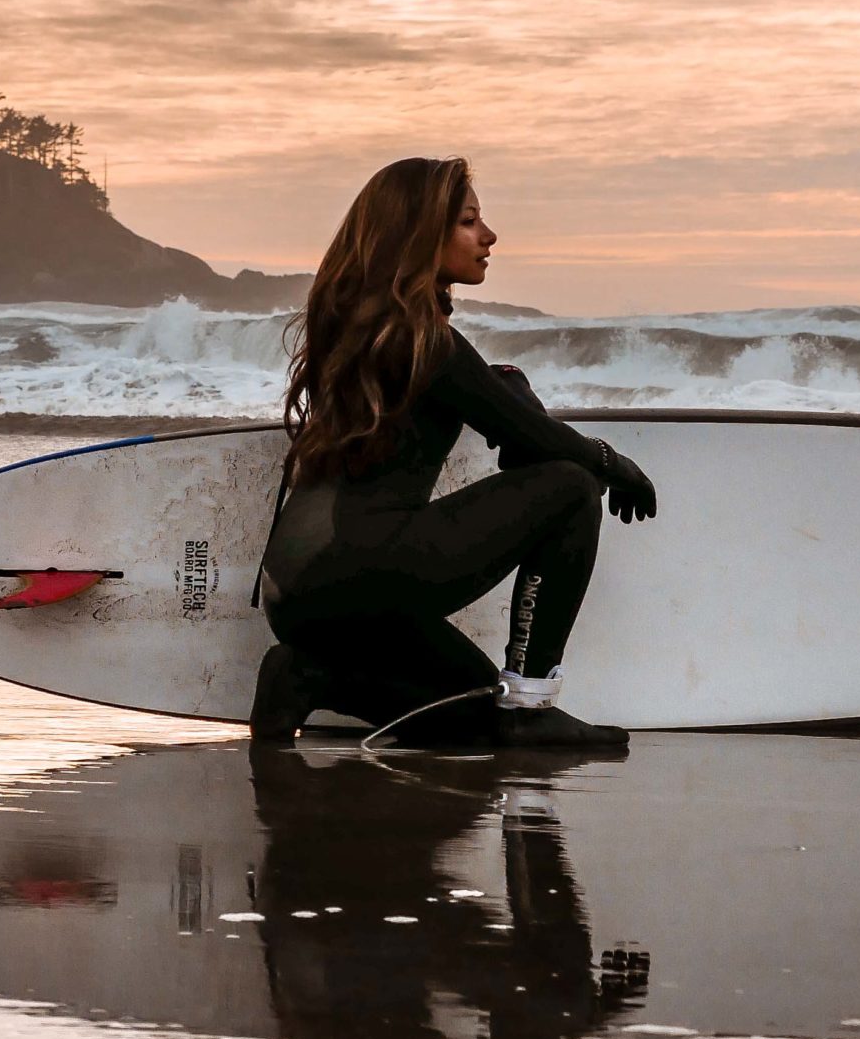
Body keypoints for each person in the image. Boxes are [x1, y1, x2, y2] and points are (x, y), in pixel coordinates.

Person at [249, 156, 657, 751]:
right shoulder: (425, 340)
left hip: (296, 594)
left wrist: (509, 400)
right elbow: (541, 442)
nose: (488, 237)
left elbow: (495, 408)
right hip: (365, 570)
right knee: (572, 485)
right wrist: (613, 463)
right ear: (420, 236)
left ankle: (309, 675)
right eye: (469, 222)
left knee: (471, 707)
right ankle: (533, 703)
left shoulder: (364, 332)